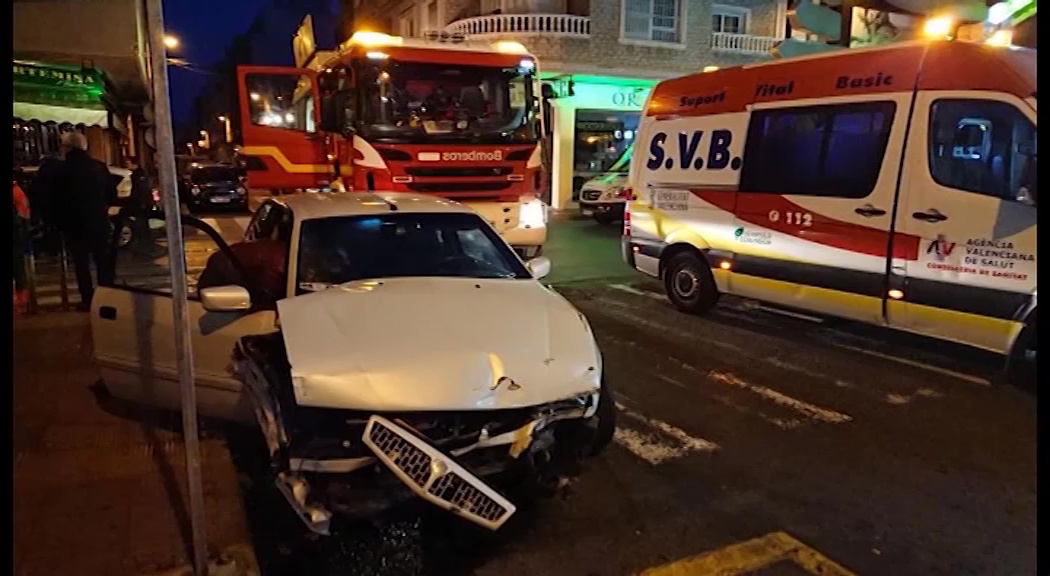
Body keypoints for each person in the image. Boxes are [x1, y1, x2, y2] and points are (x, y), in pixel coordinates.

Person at [53, 131, 116, 310]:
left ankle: (88, 301)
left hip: (74, 225)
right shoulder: (99, 167)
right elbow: (112, 195)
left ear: (68, 148)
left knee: (81, 265)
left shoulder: (61, 171)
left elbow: (56, 199)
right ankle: (107, 297)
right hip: (98, 222)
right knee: (103, 262)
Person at [124, 156, 153, 251]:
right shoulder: (137, 174)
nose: (126, 165)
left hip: (142, 203)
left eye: (128, 163)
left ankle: (144, 244)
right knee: (141, 223)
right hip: (142, 203)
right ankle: (144, 243)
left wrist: (141, 203)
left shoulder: (139, 175)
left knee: (141, 223)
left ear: (134, 163)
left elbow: (141, 190)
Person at [13, 172, 31, 314]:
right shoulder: (17, 191)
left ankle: (21, 303)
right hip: (16, 235)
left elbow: (24, 214)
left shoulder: (16, 192)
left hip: (15, 236)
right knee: (18, 271)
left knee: (18, 270)